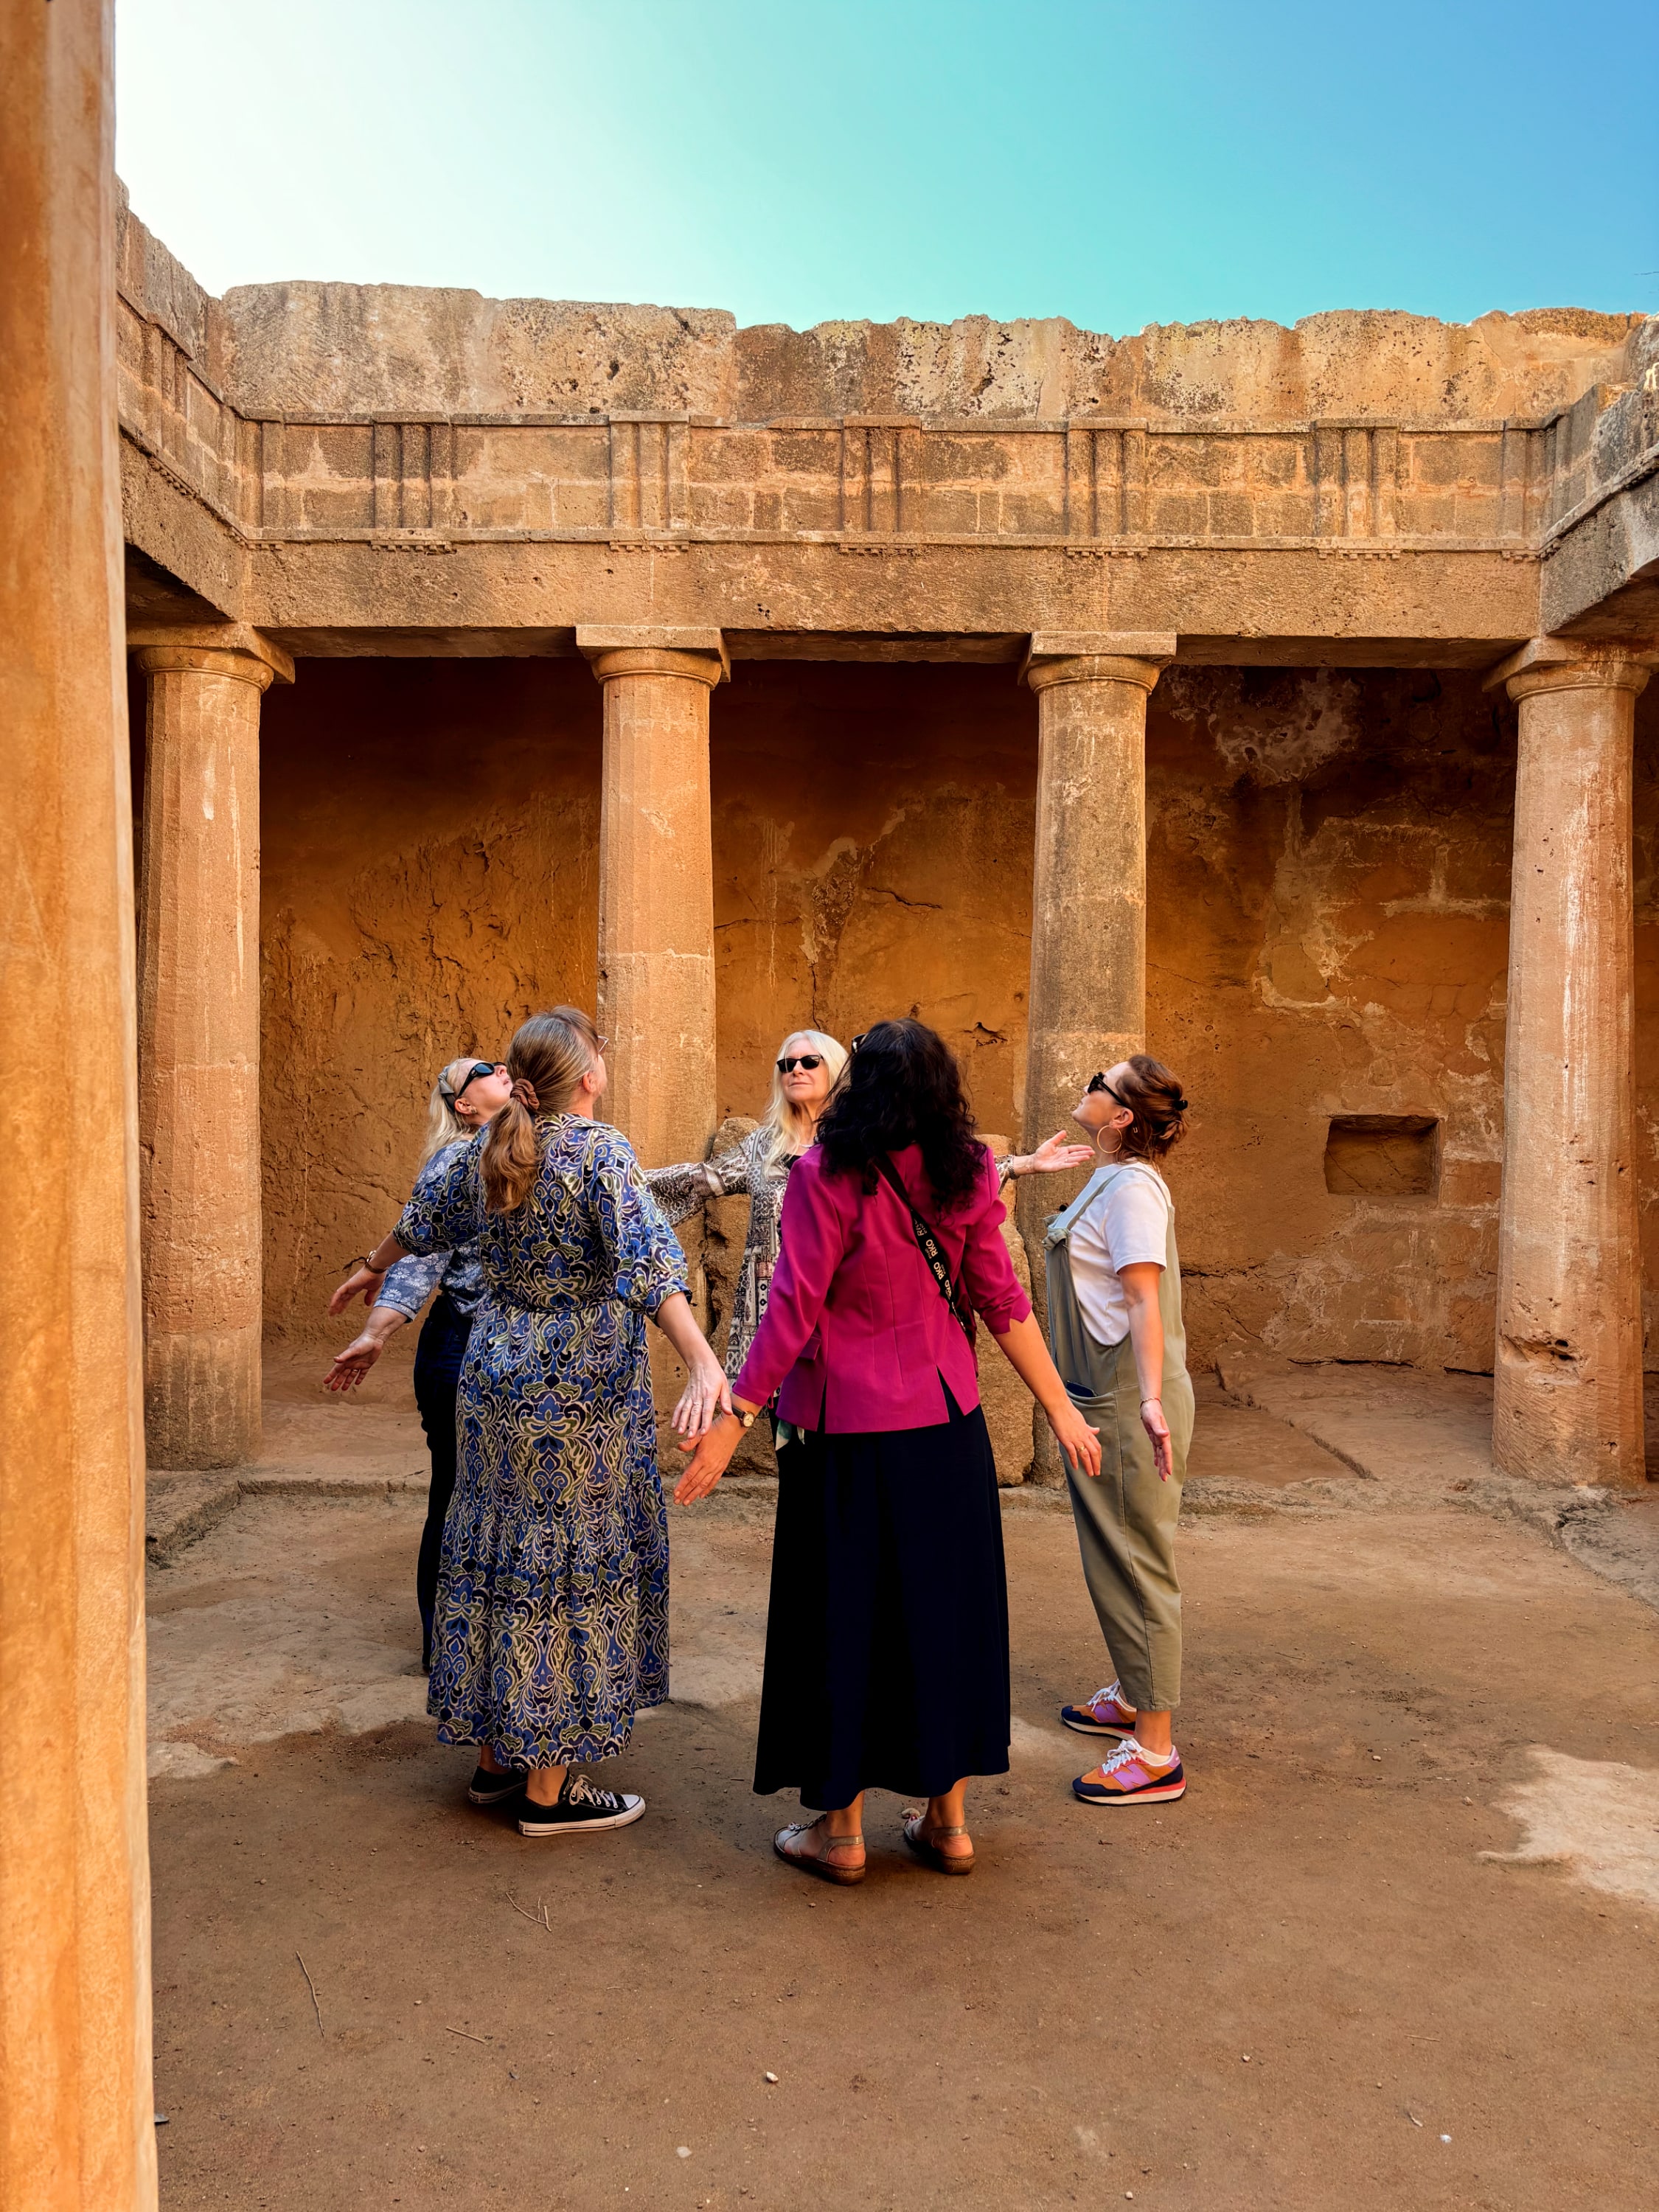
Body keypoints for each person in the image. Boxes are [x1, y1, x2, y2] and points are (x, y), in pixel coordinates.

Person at [675, 1018, 1102, 1883]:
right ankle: (948, 1823)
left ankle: (840, 1835)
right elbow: (1002, 1302)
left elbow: (793, 1311)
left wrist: (732, 1421)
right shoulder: (967, 1171)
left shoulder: (822, 1174)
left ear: (856, 1087)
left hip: (844, 1436)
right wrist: (1062, 1409)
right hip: (944, 1429)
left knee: (842, 1620)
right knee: (942, 1616)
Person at [353, 1009, 729, 1837]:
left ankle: (497, 1760)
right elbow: (649, 1265)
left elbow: (418, 1224)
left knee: (498, 1547)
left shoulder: (483, 1148)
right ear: (588, 1075)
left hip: (493, 1376)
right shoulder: (599, 1151)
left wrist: (369, 1271)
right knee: (566, 1566)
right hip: (581, 1391)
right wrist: (704, 1360)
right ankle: (550, 1791)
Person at [647, 1029, 1092, 1427]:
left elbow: (945, 1177)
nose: (795, 1070)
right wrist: (625, 1190)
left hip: (847, 1339)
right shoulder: (763, 1146)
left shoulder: (857, 1150)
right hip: (775, 1310)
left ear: (843, 1072)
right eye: (786, 1063)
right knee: (790, 1423)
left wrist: (1021, 1164)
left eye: (808, 1061)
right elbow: (701, 1180)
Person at [324, 1056, 512, 1671]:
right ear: (464, 1104)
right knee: (457, 1494)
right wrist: (378, 1330)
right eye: (482, 1069)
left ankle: (507, 1643)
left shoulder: (556, 1147)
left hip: (527, 1349)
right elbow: (420, 1254)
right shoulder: (456, 1162)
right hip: (460, 1345)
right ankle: (448, 1649)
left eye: (503, 1061)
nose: (500, 1067)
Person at [1045, 1054, 1194, 1808]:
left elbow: (1142, 1299)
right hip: (1100, 1390)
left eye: (1099, 1085)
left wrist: (1151, 1402)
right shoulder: (1109, 1177)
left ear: (1124, 1116)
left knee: (1136, 1562)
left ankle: (1156, 1752)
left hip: (1125, 1397)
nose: (1087, 1088)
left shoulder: (1132, 1189)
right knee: (1113, 1554)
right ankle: (1135, 1696)